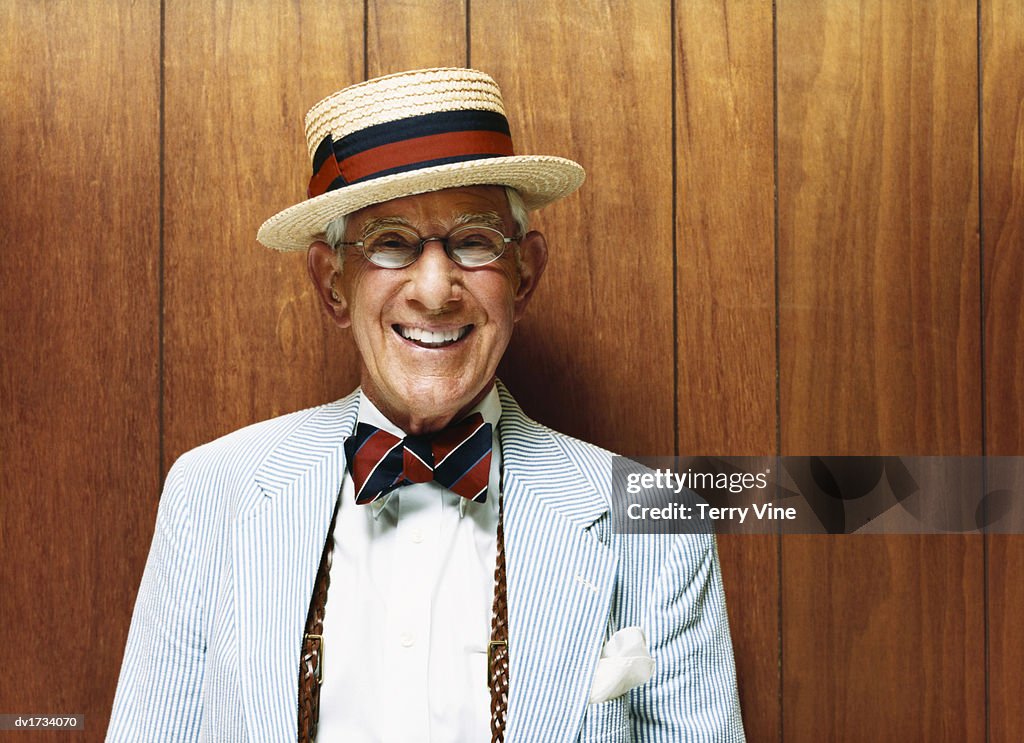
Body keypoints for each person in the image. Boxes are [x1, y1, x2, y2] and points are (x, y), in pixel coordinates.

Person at [107, 68, 744, 742]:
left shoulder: (655, 524)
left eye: (474, 240)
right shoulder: (213, 492)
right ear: (331, 284)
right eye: (389, 243)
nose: (435, 291)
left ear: (524, 273)